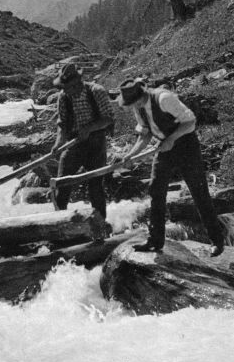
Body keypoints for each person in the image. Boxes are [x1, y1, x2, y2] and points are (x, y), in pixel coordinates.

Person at [116, 78, 224, 257]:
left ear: (141, 95)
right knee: (156, 190)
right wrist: (131, 155)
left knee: (199, 191)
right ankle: (155, 240)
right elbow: (144, 135)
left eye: (133, 102)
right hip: (164, 147)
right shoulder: (139, 108)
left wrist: (172, 139)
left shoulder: (164, 98)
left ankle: (217, 240)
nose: (133, 106)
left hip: (186, 145)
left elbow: (190, 121)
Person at [51, 63, 115, 220]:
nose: (64, 90)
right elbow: (62, 123)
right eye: (63, 86)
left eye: (68, 87)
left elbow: (108, 118)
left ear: (78, 83)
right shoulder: (63, 96)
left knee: (96, 186)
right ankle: (59, 225)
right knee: (62, 183)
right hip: (74, 143)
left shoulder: (96, 91)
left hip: (96, 143)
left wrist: (88, 129)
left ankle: (100, 226)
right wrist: (59, 142)